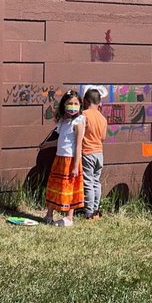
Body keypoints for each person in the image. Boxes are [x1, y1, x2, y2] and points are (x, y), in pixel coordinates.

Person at [38, 90, 86, 227]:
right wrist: (47, 145)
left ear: (80, 105)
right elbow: (61, 140)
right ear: (64, 105)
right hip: (60, 158)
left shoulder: (79, 122)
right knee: (55, 185)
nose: (73, 106)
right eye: (69, 103)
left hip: (71, 160)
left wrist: (76, 165)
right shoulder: (63, 121)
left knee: (70, 187)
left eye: (76, 103)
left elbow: (78, 145)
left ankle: (69, 217)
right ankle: (49, 214)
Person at [79, 88, 108, 220]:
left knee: (88, 182)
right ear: (99, 102)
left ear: (86, 101)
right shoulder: (102, 118)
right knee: (96, 181)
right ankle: (96, 209)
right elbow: (103, 138)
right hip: (99, 153)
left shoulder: (84, 115)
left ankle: (89, 212)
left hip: (87, 152)